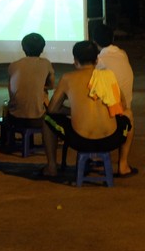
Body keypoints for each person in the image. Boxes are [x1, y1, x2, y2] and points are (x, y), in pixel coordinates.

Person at [41, 40, 132, 177]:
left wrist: (73, 111)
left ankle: (52, 166)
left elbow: (52, 109)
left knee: (47, 119)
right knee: (128, 113)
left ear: (75, 60)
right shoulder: (108, 76)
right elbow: (122, 106)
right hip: (111, 140)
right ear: (96, 60)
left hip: (80, 141)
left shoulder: (67, 78)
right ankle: (123, 165)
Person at [92, 23, 137, 177]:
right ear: (112, 38)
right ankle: (123, 163)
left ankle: (96, 156)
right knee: (129, 114)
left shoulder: (99, 61)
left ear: (94, 41)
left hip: (110, 117)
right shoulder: (122, 54)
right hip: (125, 114)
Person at [5, 33, 55, 138]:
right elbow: (51, 86)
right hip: (38, 119)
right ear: (42, 49)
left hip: (15, 118)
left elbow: (11, 91)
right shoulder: (46, 63)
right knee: (45, 97)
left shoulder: (13, 65)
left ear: (23, 48)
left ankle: (8, 142)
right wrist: (40, 87)